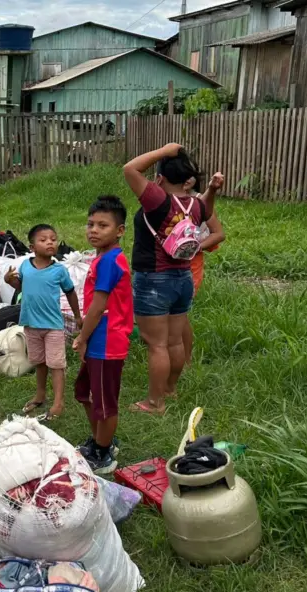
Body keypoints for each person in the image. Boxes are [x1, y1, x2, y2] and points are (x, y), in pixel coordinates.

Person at [123, 143, 209, 415]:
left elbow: (130, 169)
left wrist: (164, 150)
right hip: (184, 277)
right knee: (174, 341)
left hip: (154, 280)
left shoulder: (158, 200)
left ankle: (155, 403)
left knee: (157, 345)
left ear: (161, 176)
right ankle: (170, 389)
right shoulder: (197, 204)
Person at [72, 197, 134, 474]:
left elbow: (98, 307)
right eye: (90, 224)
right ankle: (101, 440)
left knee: (105, 402)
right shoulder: (102, 258)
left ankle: (103, 453)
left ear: (119, 231)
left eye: (102, 225)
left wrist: (82, 338)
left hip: (107, 341)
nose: (94, 230)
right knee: (84, 392)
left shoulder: (110, 261)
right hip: (98, 338)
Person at [4, 224, 82, 421]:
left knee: (56, 364)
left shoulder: (59, 270)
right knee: (39, 362)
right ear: (32, 247)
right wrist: (9, 280)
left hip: (53, 326)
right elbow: (22, 286)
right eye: (43, 240)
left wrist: (77, 316)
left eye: (53, 239)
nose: (50, 243)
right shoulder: (25, 266)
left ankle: (58, 402)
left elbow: (70, 292)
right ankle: (40, 395)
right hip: (31, 324)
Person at [184, 174, 226, 365]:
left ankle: (185, 359)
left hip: (190, 265)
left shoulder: (198, 201)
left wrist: (194, 248)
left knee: (179, 314)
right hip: (162, 265)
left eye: (189, 174)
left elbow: (218, 234)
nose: (186, 178)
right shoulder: (162, 200)